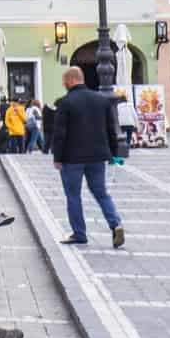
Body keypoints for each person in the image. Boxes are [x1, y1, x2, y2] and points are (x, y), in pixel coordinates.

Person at [54, 65, 125, 247]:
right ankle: (115, 223)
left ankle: (79, 233)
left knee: (73, 195)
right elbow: (111, 130)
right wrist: (113, 153)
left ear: (70, 80)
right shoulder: (101, 100)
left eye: (64, 81)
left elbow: (60, 133)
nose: (64, 84)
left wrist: (58, 157)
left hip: (72, 158)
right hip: (97, 157)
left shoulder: (65, 103)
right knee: (101, 193)